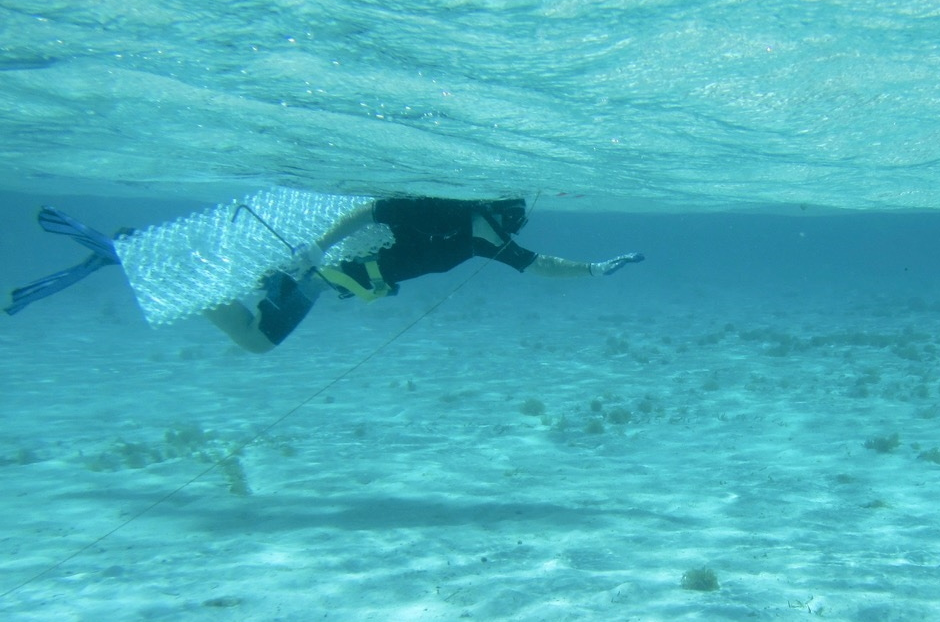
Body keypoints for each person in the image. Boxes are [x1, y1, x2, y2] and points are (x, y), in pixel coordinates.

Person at [7, 196, 644, 353]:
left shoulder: (475, 227)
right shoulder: (464, 221)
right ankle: (157, 265)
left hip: (337, 272)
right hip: (329, 273)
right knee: (259, 340)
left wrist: (596, 269)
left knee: (258, 330)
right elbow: (370, 210)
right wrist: (313, 254)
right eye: (513, 220)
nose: (511, 230)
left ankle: (147, 260)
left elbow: (537, 265)